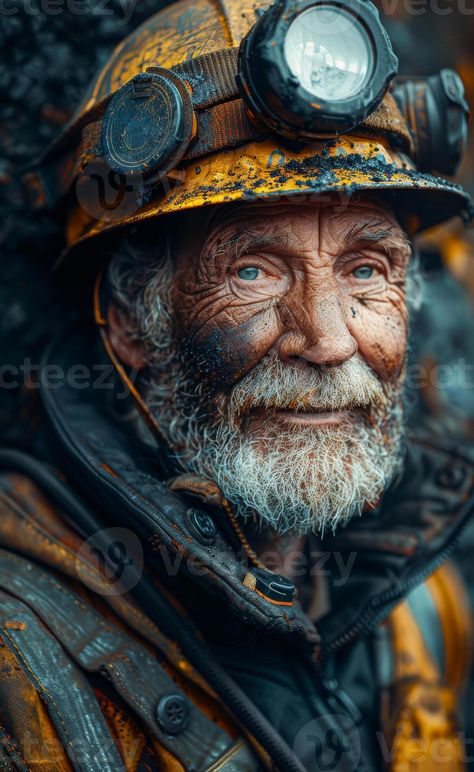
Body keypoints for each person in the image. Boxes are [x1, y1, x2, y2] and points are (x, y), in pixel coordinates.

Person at [1, 0, 473, 769]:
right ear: (130, 321)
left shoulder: (425, 611)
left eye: (366, 271)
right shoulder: (15, 670)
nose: (326, 340)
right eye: (253, 271)